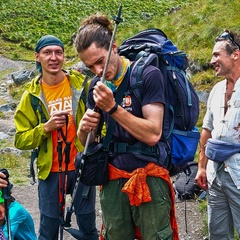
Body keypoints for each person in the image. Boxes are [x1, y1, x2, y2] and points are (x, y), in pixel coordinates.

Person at [74, 14, 179, 240]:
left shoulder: (147, 75)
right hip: (113, 177)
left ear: (114, 47)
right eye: (90, 66)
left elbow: (153, 133)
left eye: (100, 61)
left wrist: (113, 108)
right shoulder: (97, 84)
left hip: (149, 175)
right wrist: (84, 129)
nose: (98, 70)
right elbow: (88, 141)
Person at [14, 35, 98, 240]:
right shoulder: (31, 96)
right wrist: (46, 128)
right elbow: (20, 139)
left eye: (58, 52)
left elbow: (99, 119)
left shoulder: (81, 85)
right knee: (49, 226)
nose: (53, 57)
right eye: (47, 52)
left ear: (64, 56)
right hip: (50, 171)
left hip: (82, 164)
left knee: (88, 223)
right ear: (37, 57)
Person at [195, 29, 240, 239]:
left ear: (235, 54)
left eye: (216, 55)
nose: (212, 60)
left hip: (238, 174)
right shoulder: (216, 90)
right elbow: (207, 131)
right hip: (216, 176)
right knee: (218, 233)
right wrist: (202, 167)